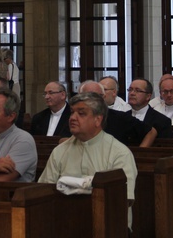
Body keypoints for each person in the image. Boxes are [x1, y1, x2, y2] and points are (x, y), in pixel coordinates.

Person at [39, 92, 137, 226]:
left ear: (98, 119)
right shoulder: (60, 151)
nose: (73, 118)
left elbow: (123, 199)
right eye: (72, 112)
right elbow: (44, 191)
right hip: (64, 224)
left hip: (110, 226)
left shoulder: (119, 153)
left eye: (81, 113)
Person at [80, 81, 156, 146]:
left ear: (103, 97)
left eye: (96, 96)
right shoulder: (75, 117)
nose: (91, 100)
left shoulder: (119, 117)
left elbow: (151, 131)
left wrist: (139, 153)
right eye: (87, 97)